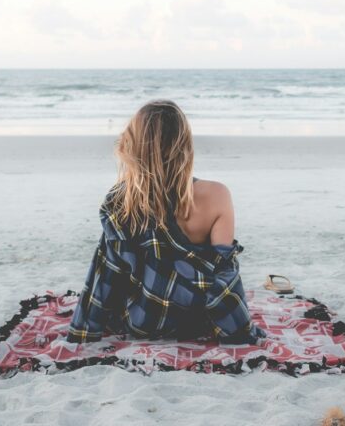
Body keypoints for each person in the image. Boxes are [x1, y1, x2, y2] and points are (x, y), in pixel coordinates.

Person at [66, 100, 265, 345]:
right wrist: (238, 331)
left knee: (110, 252)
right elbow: (223, 275)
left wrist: (83, 333)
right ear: (184, 145)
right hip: (199, 322)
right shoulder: (217, 194)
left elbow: (108, 273)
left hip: (144, 321)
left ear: (135, 147)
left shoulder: (121, 199)